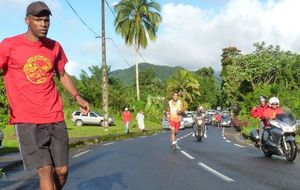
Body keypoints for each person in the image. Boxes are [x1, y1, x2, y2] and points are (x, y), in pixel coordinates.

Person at [0, 1, 90, 190]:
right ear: (27, 20)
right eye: (38, 20)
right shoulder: (9, 45)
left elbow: (62, 74)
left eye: (46, 20)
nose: (43, 24)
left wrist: (77, 96)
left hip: (54, 116)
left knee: (62, 171)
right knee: (46, 169)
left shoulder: (54, 47)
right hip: (27, 119)